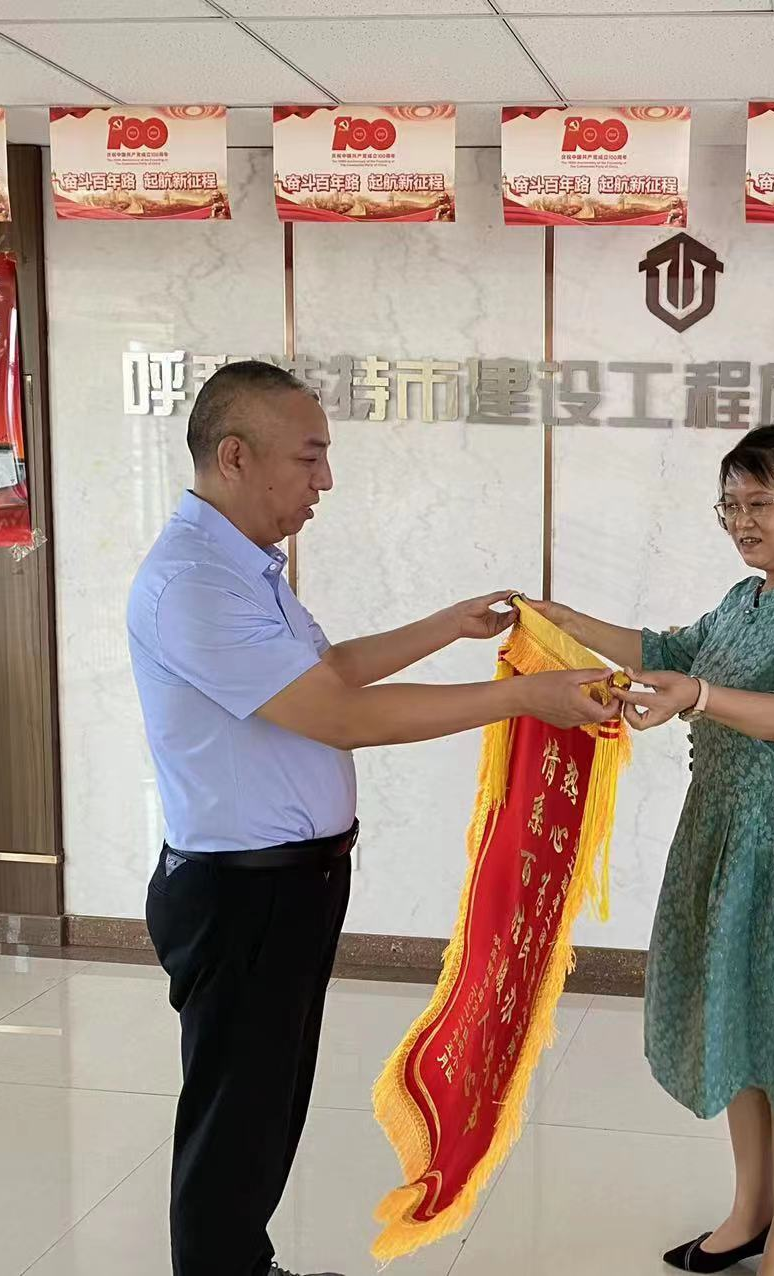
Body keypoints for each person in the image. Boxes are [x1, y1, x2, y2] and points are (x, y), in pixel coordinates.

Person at [128, 360, 610, 1278]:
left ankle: (244, 1262)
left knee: (267, 1105)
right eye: (308, 458)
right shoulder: (193, 584)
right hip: (242, 895)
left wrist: (444, 625)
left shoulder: (242, 567)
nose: (325, 480)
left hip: (288, 885)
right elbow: (339, 715)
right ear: (235, 456)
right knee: (235, 1117)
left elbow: (329, 671)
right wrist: (524, 698)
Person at [533, 424, 774, 1277]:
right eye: (729, 505)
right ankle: (748, 1214)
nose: (741, 521)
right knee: (739, 1027)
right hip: (724, 834)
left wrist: (699, 696)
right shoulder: (743, 597)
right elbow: (668, 653)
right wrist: (564, 621)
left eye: (759, 502)